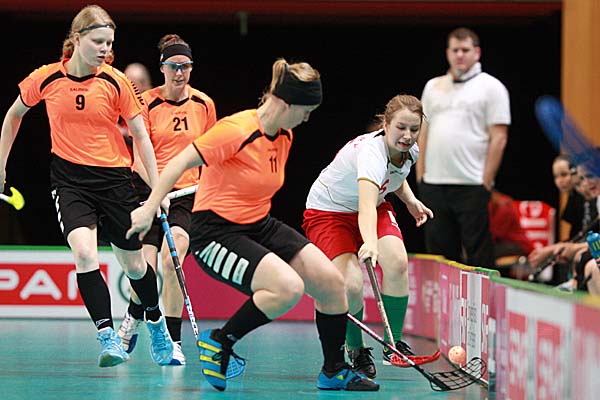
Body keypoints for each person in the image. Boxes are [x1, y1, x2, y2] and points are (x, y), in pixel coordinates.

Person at [126, 58, 379, 392]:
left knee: (333, 284)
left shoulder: (284, 135)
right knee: (287, 288)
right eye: (305, 111)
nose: (307, 118)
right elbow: (178, 163)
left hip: (259, 224)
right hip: (214, 232)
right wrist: (150, 207)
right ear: (286, 104)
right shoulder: (237, 130)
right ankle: (220, 342)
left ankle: (333, 370)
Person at [0, 5, 173, 368]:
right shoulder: (46, 78)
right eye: (98, 42)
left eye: (109, 43)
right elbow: (13, 115)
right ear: (77, 39)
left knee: (135, 266)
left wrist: (157, 192)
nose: (105, 49)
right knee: (84, 254)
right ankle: (107, 336)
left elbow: (141, 137)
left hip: (115, 181)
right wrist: (0, 167)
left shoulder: (116, 81)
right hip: (69, 181)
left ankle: (155, 321)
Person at [302, 94, 433, 378]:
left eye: (414, 129)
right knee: (351, 284)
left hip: (373, 205)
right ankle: (356, 349)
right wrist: (370, 243)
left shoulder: (411, 150)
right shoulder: (371, 152)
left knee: (397, 262)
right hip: (329, 213)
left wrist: (411, 202)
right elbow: (365, 205)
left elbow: (395, 176)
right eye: (401, 128)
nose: (407, 135)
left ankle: (393, 345)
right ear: (385, 125)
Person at [117, 34, 217, 366]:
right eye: (173, 66)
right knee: (142, 266)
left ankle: (173, 341)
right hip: (147, 190)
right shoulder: (145, 102)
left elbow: (211, 152)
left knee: (172, 260)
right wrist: (158, 193)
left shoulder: (204, 104)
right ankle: (133, 317)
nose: (179, 72)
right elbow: (138, 158)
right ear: (162, 68)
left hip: (187, 194)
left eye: (185, 66)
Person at [416, 27, 511, 269]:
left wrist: (486, 181)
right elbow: (423, 131)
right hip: (434, 183)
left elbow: (499, 138)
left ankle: (484, 296)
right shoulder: (433, 86)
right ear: (448, 53)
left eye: (465, 50)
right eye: (455, 50)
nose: (460, 55)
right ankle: (442, 297)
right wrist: (420, 175)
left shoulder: (492, 87)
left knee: (478, 251)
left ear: (477, 53)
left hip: (472, 183)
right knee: (439, 252)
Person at [488, 189, 535, 278]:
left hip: (519, 245)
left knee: (483, 252)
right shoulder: (494, 204)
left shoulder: (503, 205)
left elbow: (497, 232)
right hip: (505, 243)